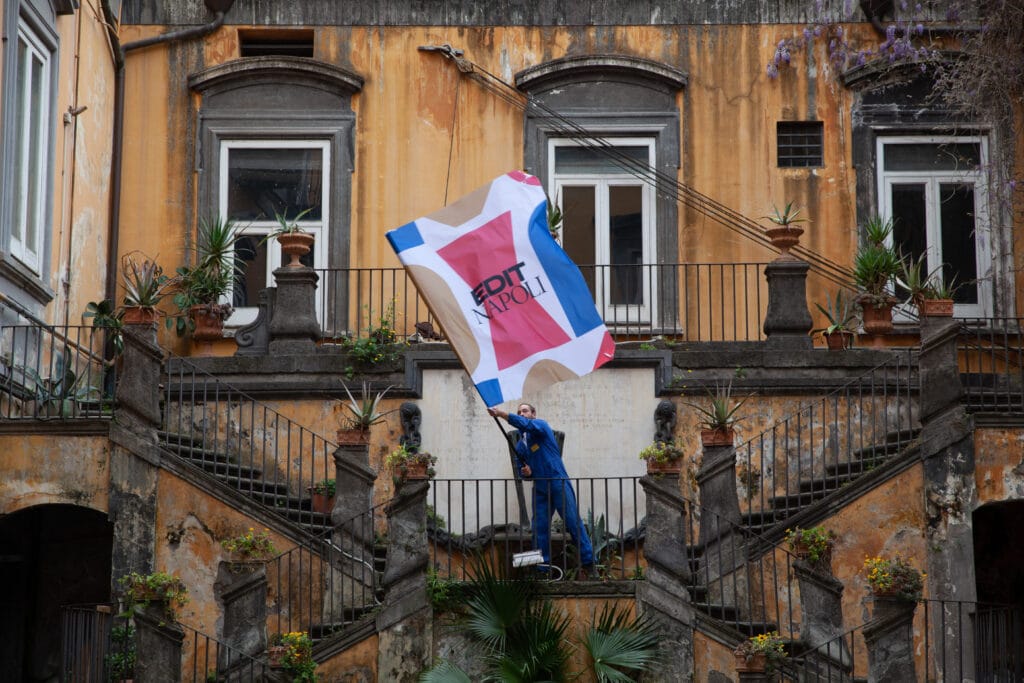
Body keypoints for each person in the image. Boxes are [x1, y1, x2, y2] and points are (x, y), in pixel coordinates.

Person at [488, 403, 596, 577]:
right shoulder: (522, 446)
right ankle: (542, 569)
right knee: (539, 528)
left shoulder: (541, 426)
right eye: (519, 412)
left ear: (533, 414)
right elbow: (521, 469)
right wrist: (527, 473)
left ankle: (589, 563)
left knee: (572, 522)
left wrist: (501, 413)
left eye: (525, 411)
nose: (522, 414)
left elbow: (526, 425)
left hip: (557, 481)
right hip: (539, 487)